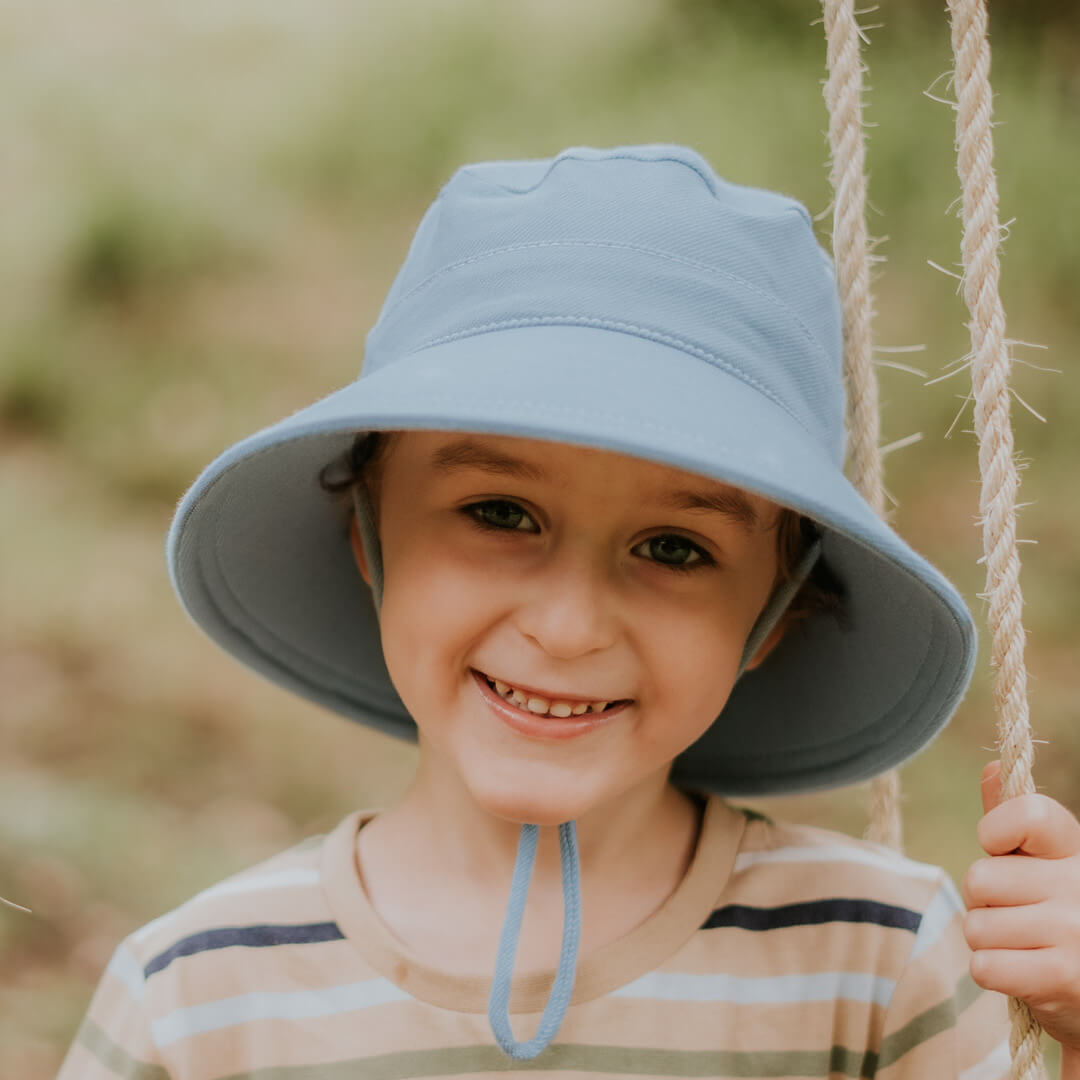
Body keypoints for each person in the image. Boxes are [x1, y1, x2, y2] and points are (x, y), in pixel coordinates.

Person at [57, 144, 1080, 1078]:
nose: (569, 625)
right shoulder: (196, 999)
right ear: (369, 538)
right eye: (500, 513)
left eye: (674, 548)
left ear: (773, 611)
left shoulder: (877, 958)